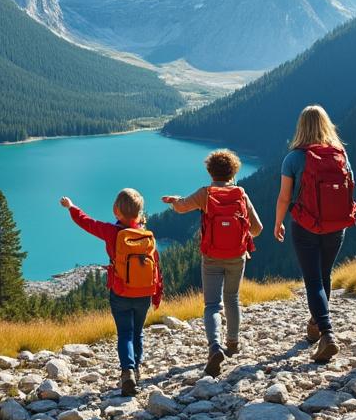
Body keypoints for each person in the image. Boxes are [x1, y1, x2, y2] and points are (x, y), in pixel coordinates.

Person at [162, 149, 263, 377]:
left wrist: (173, 201)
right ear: (234, 170)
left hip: (211, 257)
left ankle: (214, 346)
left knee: (212, 305)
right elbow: (257, 229)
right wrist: (240, 234)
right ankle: (233, 343)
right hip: (237, 256)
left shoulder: (205, 194)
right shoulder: (241, 194)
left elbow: (181, 207)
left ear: (210, 171)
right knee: (232, 298)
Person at [273, 105, 356, 363]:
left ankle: (327, 333)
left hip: (306, 225)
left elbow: (285, 197)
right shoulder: (340, 154)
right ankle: (315, 324)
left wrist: (278, 223)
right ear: (327, 125)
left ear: (301, 127)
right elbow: (350, 186)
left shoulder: (294, 158)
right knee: (324, 275)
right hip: (336, 225)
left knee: (313, 280)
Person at [61, 189, 163, 396]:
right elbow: (156, 266)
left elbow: (87, 222)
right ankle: (136, 369)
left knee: (125, 332)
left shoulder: (112, 232)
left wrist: (71, 207)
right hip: (144, 292)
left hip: (121, 292)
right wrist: (156, 293)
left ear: (116, 211)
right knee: (137, 332)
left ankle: (127, 373)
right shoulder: (146, 235)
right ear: (140, 213)